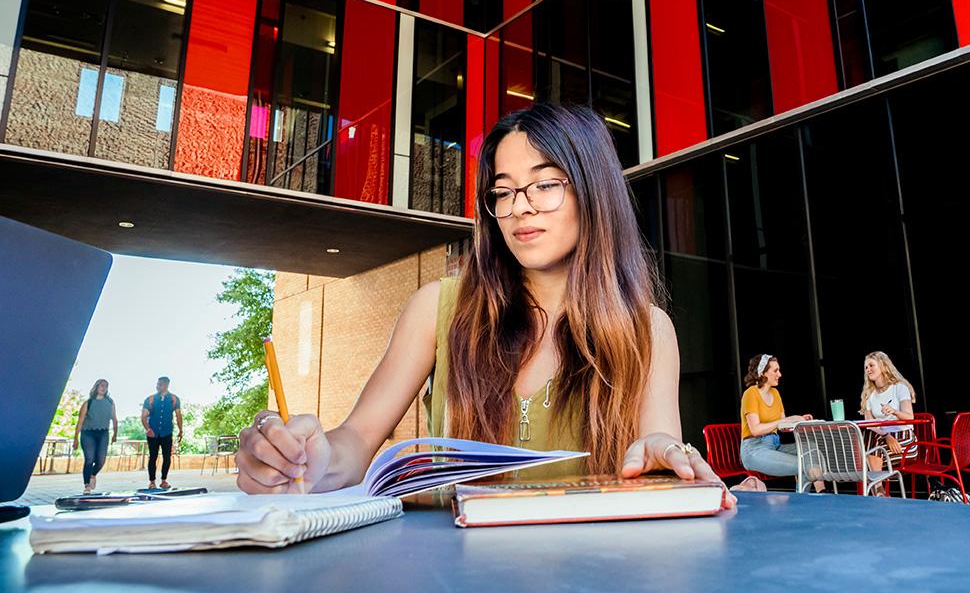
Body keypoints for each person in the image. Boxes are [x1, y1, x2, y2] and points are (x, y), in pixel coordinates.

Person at [235, 104, 733, 508]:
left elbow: (658, 442)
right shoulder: (439, 308)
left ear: (593, 192)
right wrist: (307, 459)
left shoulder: (647, 328)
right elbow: (355, 442)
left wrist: (665, 457)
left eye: (545, 184)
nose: (520, 207)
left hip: (595, 578)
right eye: (503, 192)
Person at [739, 354, 814, 488]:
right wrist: (780, 422)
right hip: (754, 450)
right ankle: (801, 503)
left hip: (775, 446)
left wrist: (798, 419)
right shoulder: (751, 394)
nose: (779, 374)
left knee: (812, 450)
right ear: (762, 372)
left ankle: (813, 495)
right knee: (804, 464)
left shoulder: (775, 393)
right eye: (775, 371)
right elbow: (755, 430)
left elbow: (783, 425)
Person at [860, 351, 916, 481]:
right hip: (881, 438)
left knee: (864, 456)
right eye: (866, 367)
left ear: (883, 366)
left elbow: (910, 417)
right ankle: (879, 490)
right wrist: (886, 436)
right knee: (869, 438)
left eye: (871, 365)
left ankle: (878, 491)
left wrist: (894, 411)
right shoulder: (869, 394)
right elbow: (869, 425)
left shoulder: (899, 387)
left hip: (904, 440)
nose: (868, 369)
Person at [72, 379, 117, 493]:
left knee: (101, 460)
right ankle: (87, 485)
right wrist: (75, 438)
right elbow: (80, 421)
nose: (103, 388)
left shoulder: (110, 402)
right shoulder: (88, 403)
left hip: (103, 433)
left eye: (106, 386)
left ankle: (93, 475)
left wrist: (115, 434)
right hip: (88, 433)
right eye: (102, 385)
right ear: (96, 387)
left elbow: (114, 419)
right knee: (89, 459)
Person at [142, 376, 183, 489]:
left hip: (167, 432)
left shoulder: (174, 399)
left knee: (167, 457)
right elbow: (144, 416)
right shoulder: (150, 399)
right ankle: (152, 482)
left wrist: (180, 430)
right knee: (153, 457)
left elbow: (178, 415)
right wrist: (148, 429)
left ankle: (164, 480)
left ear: (166, 385)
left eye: (160, 384)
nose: (157, 386)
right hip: (153, 433)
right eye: (157, 384)